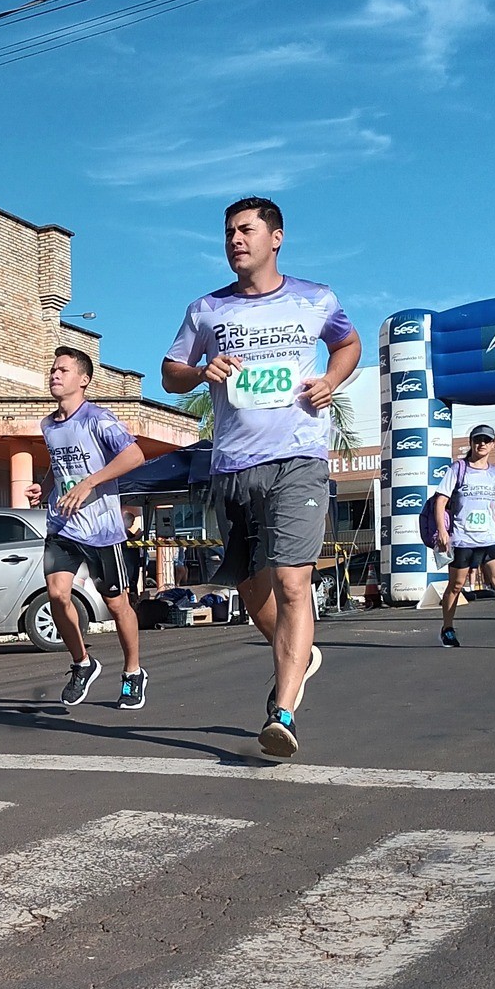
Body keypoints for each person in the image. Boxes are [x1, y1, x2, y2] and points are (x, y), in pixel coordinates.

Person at [162, 196, 361, 759]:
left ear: (276, 237)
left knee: (293, 582)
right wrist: (202, 369)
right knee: (253, 594)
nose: (234, 240)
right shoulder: (206, 309)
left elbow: (347, 342)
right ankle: (299, 655)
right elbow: (171, 373)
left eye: (246, 230)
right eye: (228, 233)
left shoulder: (315, 298)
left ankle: (284, 710)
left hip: (299, 458)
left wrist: (332, 380)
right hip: (233, 465)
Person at [26, 346, 147, 710]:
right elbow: (59, 465)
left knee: (117, 604)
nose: (54, 376)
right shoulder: (48, 424)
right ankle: (82, 662)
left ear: (83, 380)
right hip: (62, 525)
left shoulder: (99, 419)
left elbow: (134, 456)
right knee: (57, 595)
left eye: (62, 370)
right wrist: (45, 487)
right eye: (52, 370)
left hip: (101, 529)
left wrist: (89, 483)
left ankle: (133, 672)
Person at [432, 425, 495, 650]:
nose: (482, 444)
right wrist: (442, 531)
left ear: (492, 445)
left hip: (491, 537)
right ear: (471, 443)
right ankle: (447, 628)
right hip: (463, 538)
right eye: (478, 440)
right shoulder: (458, 469)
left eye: (487, 440)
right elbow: (440, 500)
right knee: (456, 585)